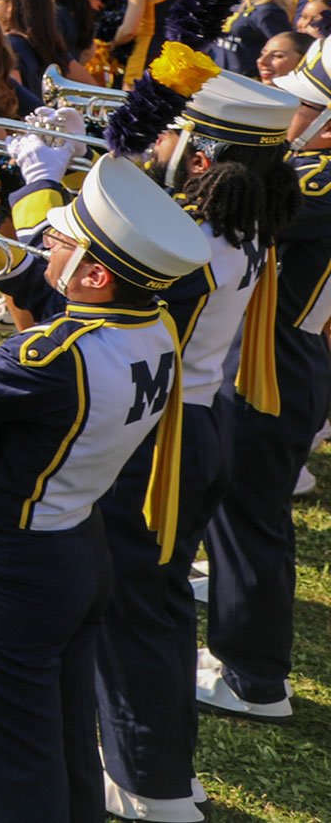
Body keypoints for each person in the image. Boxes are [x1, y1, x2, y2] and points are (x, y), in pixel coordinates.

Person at [0, 155, 209, 823]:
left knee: (16, 752)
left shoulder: (56, 353)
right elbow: (57, 331)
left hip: (20, 564)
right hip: (80, 544)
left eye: (59, 241)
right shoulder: (154, 327)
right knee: (63, 736)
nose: (44, 244)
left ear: (94, 275)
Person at [95, 72, 301, 816]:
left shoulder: (183, 243)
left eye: (176, 135)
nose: (164, 145)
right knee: (160, 598)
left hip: (162, 439)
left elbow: (87, 317)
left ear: (205, 158)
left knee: (137, 605)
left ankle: (152, 779)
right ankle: (161, 762)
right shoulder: (239, 225)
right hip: (202, 423)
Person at [201, 44, 331, 733]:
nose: (290, 111)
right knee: (246, 516)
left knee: (253, 522)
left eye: (302, 102)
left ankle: (254, 678)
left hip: (268, 368)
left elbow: (226, 216)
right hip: (285, 358)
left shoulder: (317, 177)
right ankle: (243, 647)